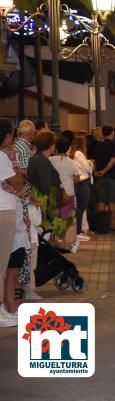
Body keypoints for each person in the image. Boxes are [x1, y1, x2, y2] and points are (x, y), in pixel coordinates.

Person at [0, 119, 26, 327]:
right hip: (3, 211)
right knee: (2, 266)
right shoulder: (1, 157)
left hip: (7, 210)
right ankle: (3, 310)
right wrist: (14, 162)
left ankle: (6, 308)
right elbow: (18, 183)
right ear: (7, 136)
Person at [91, 125, 115, 231]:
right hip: (112, 176)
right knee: (112, 201)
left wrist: (95, 171)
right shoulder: (114, 145)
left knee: (101, 200)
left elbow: (93, 160)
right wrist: (104, 171)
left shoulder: (98, 145)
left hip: (99, 178)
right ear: (112, 133)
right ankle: (112, 224)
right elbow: (113, 160)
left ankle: (100, 225)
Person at [70, 132, 93, 241]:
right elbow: (88, 168)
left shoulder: (72, 152)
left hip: (78, 181)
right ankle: (78, 232)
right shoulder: (79, 153)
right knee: (81, 208)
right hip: (83, 181)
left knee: (79, 207)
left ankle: (78, 230)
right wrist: (90, 163)